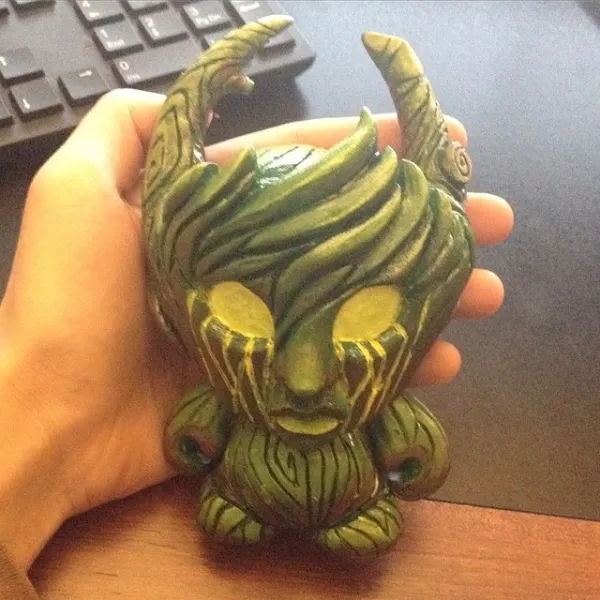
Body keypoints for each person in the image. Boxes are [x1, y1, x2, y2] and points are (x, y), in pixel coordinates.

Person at [0, 89, 513, 598]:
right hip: (240, 492)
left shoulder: (378, 379)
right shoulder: (215, 362)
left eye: (366, 318)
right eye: (242, 313)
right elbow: (194, 428)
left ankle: (349, 507)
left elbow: (414, 448)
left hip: (350, 497)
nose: (305, 383)